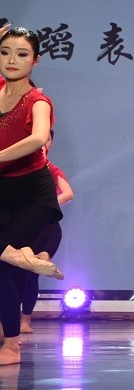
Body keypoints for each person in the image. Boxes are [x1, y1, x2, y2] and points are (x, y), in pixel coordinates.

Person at [0, 26, 65, 365]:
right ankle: (14, 255)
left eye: (22, 54)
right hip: (3, 190)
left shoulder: (38, 101)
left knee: (1, 269)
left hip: (33, 195)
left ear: (35, 60)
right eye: (5, 52)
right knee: (2, 267)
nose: (12, 60)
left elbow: (39, 137)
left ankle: (11, 346)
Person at [13, 131, 73, 333]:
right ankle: (9, 321)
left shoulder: (51, 169)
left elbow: (68, 193)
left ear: (51, 143)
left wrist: (44, 206)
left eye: (47, 139)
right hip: (21, 226)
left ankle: (25, 320)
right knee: (15, 272)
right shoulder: (19, 167)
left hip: (44, 227)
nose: (42, 143)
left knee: (31, 274)